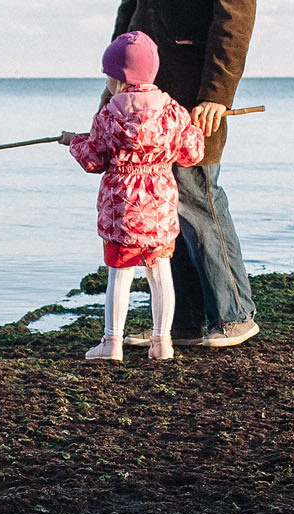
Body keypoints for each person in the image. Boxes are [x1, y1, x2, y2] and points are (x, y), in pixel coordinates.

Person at [112, 0, 260, 347]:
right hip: (146, 85)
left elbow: (235, 13)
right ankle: (191, 320)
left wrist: (218, 94)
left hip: (199, 89)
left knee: (198, 193)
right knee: (164, 202)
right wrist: (118, 69)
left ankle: (236, 314)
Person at [61, 31, 206, 362]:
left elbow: (93, 159)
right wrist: (194, 128)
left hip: (122, 207)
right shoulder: (172, 112)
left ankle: (112, 343)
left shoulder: (110, 114)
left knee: (120, 274)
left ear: (121, 78)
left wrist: (73, 142)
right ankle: (162, 342)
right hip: (159, 205)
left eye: (110, 75)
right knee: (160, 273)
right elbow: (191, 153)